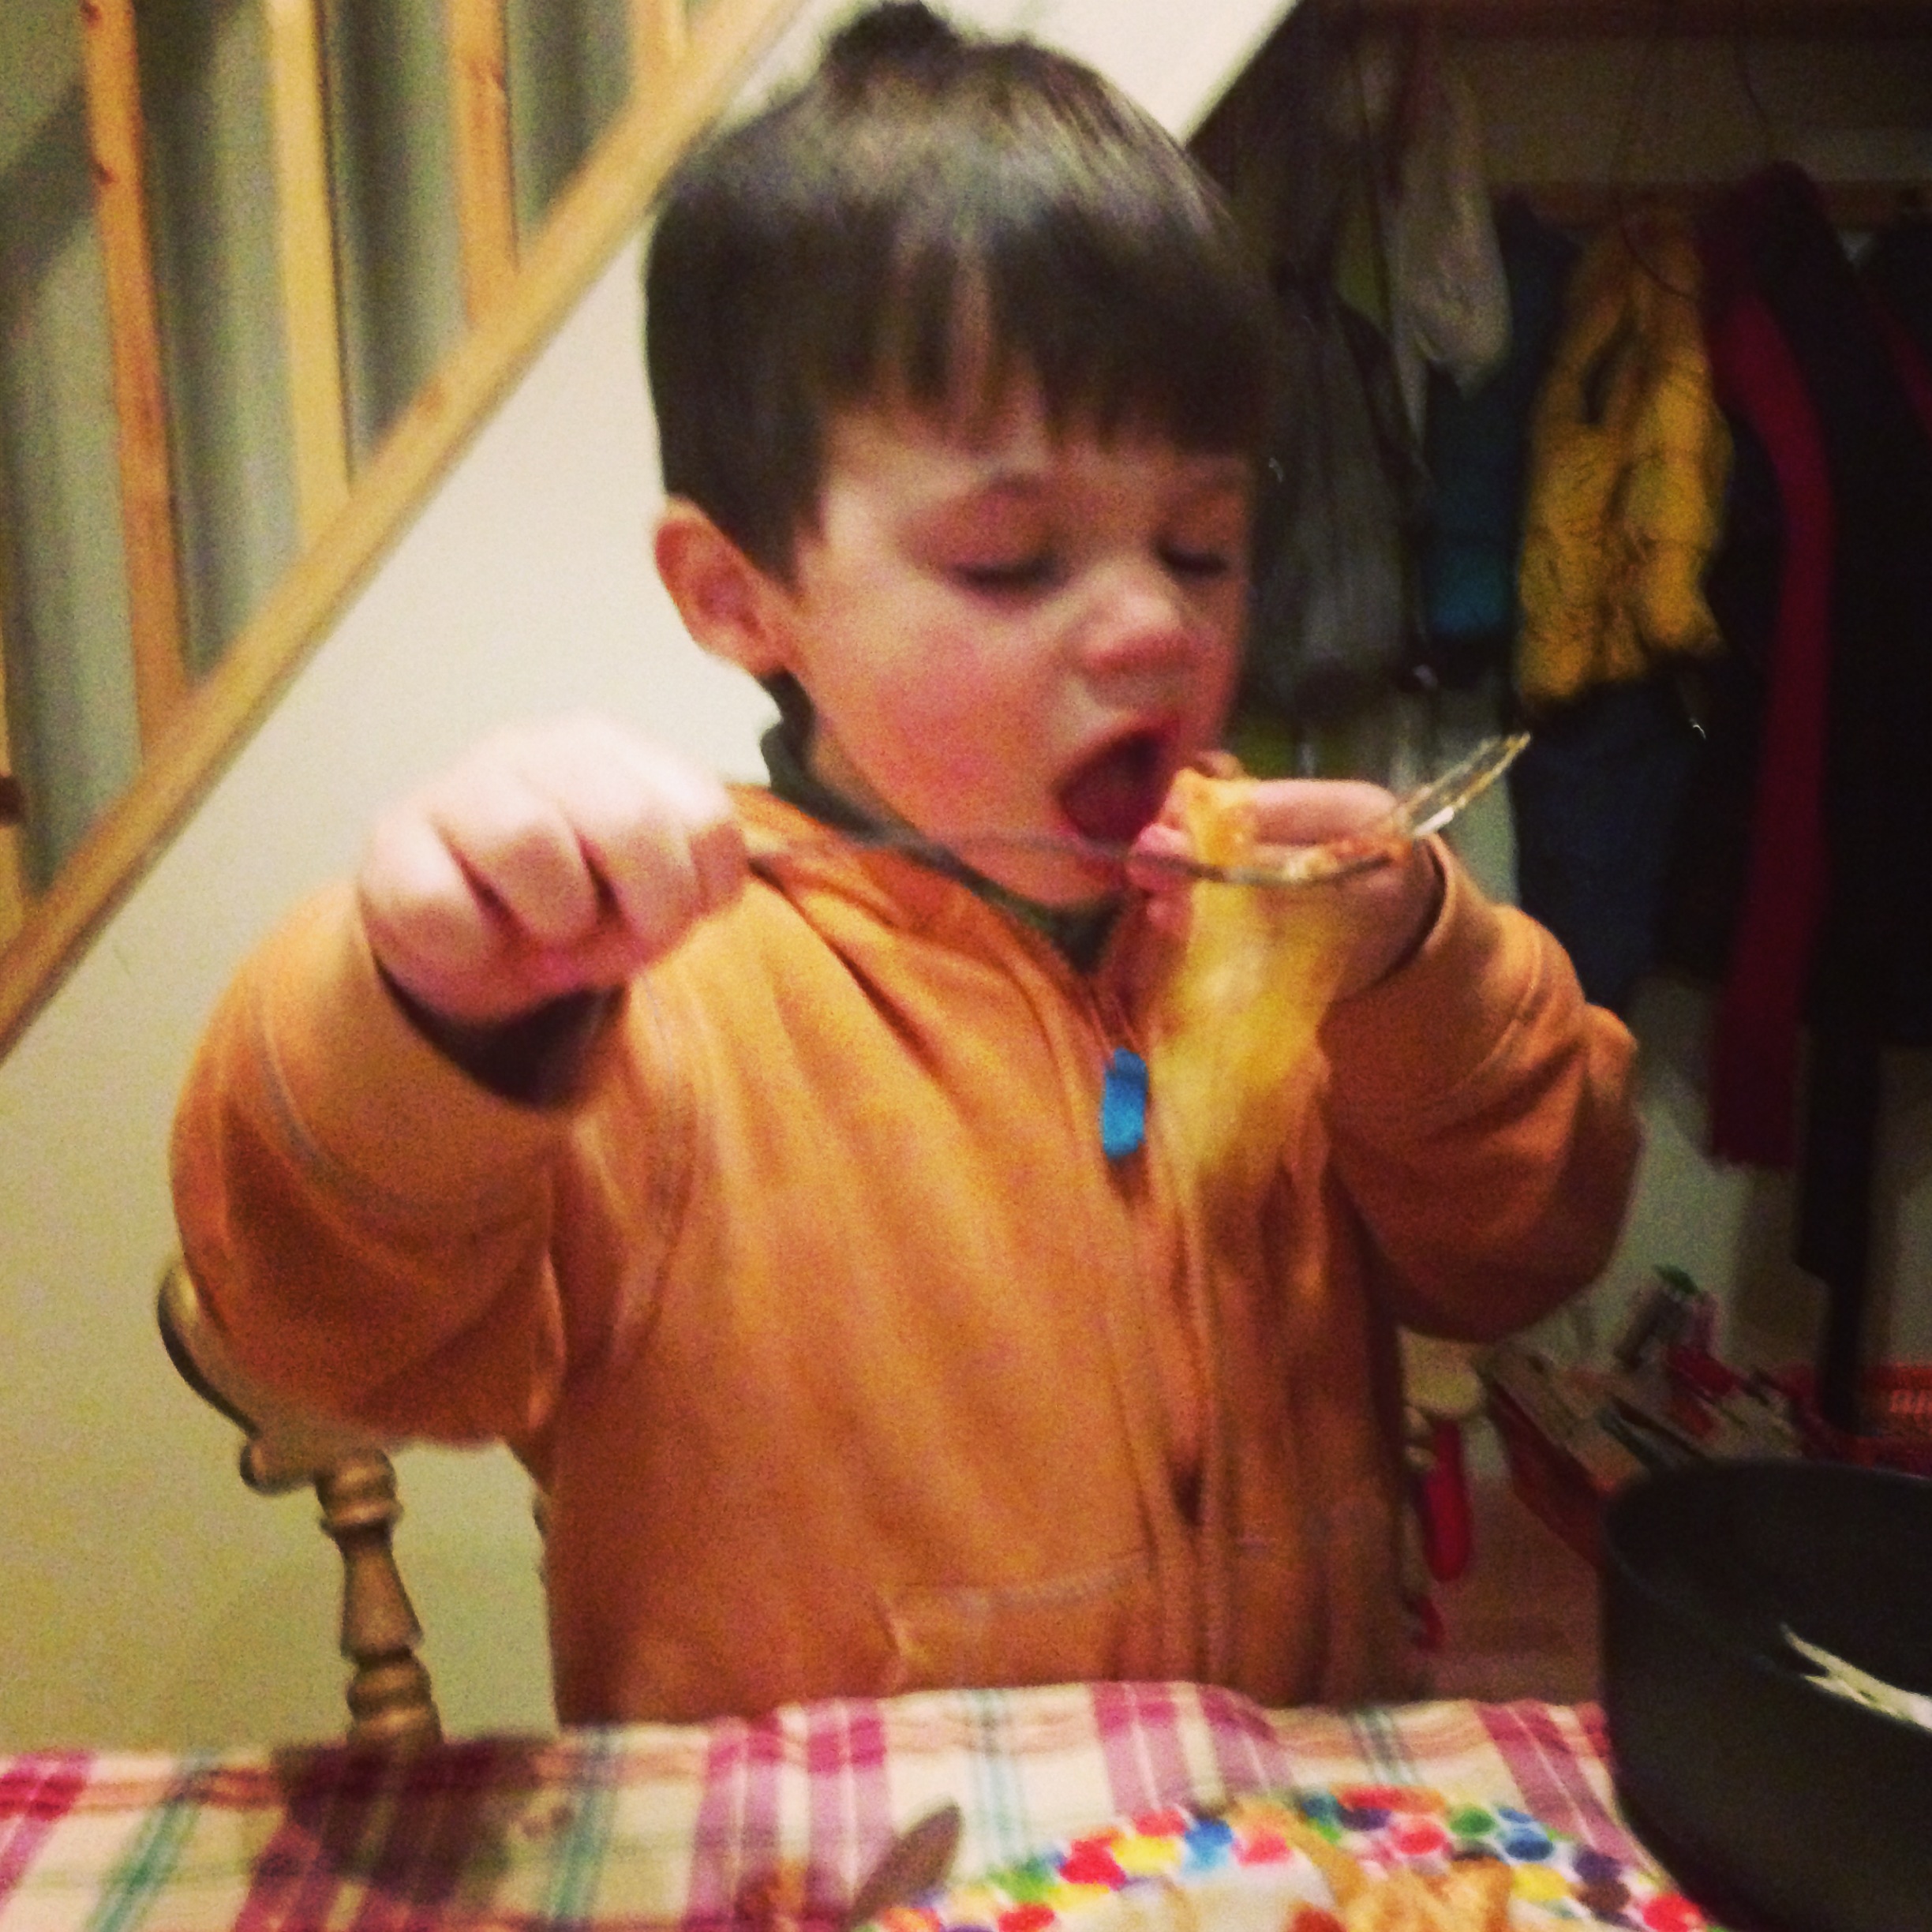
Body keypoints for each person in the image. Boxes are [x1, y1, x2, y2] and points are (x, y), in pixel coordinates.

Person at [170, 2, 1639, 1726]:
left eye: (1201, 545)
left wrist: (1419, 966)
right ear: (738, 597)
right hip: (829, 1850)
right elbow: (326, 1321)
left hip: (1271, 1836)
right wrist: (432, 1021)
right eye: (1014, 563)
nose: (1155, 627)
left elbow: (1530, 1243)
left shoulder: (1303, 945)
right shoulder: (662, 1006)